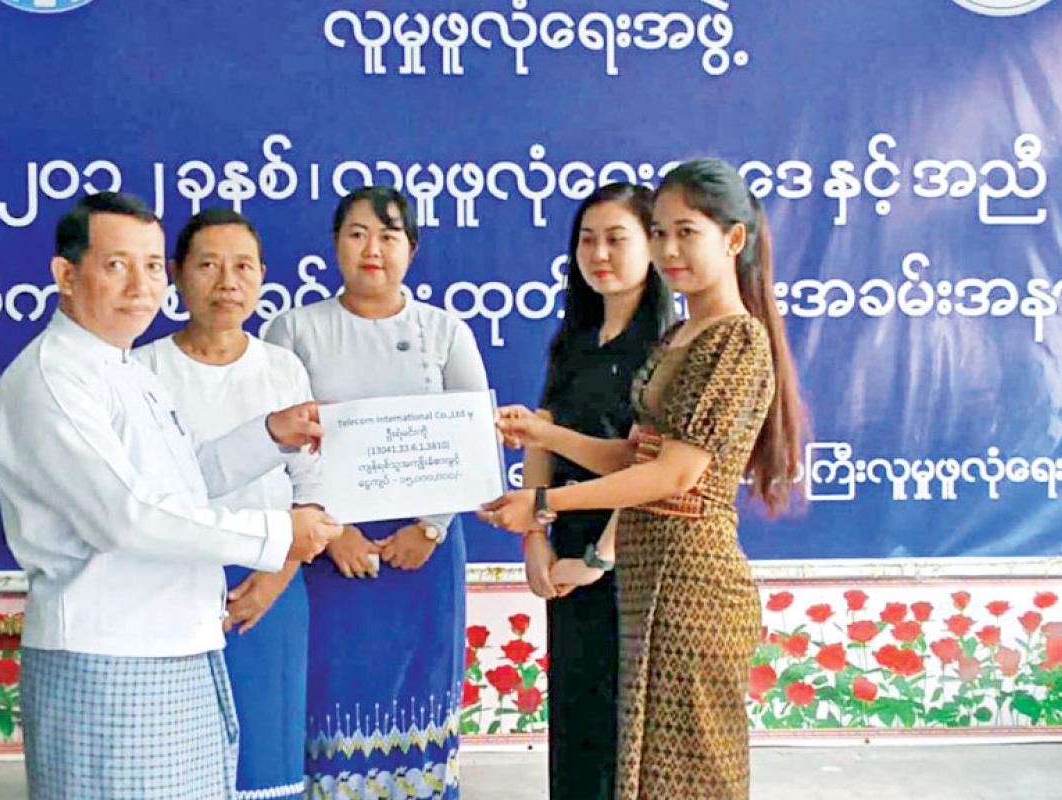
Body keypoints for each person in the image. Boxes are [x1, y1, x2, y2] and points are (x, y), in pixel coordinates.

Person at [0, 192, 342, 800]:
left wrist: (268, 435)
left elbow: (183, 480)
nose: (140, 286)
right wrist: (280, 534)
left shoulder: (122, 369)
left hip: (176, 647)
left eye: (150, 266)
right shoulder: (53, 379)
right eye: (116, 265)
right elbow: (125, 517)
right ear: (66, 274)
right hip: (109, 658)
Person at [482, 159, 805, 800]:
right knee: (637, 775)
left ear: (733, 239)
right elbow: (632, 457)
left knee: (693, 778)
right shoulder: (681, 334)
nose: (669, 250)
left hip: (693, 584)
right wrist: (544, 436)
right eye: (660, 233)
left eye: (686, 232)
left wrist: (544, 499)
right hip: (645, 583)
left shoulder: (736, 341)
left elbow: (672, 475)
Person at [264, 185, 488, 800]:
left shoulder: (444, 331)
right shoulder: (294, 330)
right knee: (332, 687)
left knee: (421, 686)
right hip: (325, 547)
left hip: (425, 551)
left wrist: (431, 527)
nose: (373, 249)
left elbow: (473, 442)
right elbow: (276, 444)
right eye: (357, 234)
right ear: (336, 244)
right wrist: (334, 531)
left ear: (411, 248)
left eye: (389, 236)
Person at [134, 208, 317, 799]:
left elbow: (313, 486)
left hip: (270, 588)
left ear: (262, 275)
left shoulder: (282, 367)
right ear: (176, 274)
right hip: (173, 588)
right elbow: (152, 494)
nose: (227, 283)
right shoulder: (142, 370)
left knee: (266, 759)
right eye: (209, 266)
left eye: (243, 267)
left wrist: (278, 575)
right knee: (177, 762)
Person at [519, 183, 672, 800]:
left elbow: (647, 464)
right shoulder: (573, 340)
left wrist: (599, 557)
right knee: (575, 718)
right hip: (566, 543)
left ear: (653, 247)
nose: (599, 254)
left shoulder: (666, 347)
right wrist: (535, 538)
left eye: (616, 239)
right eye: (587, 240)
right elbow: (540, 436)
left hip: (630, 551)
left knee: (621, 724)